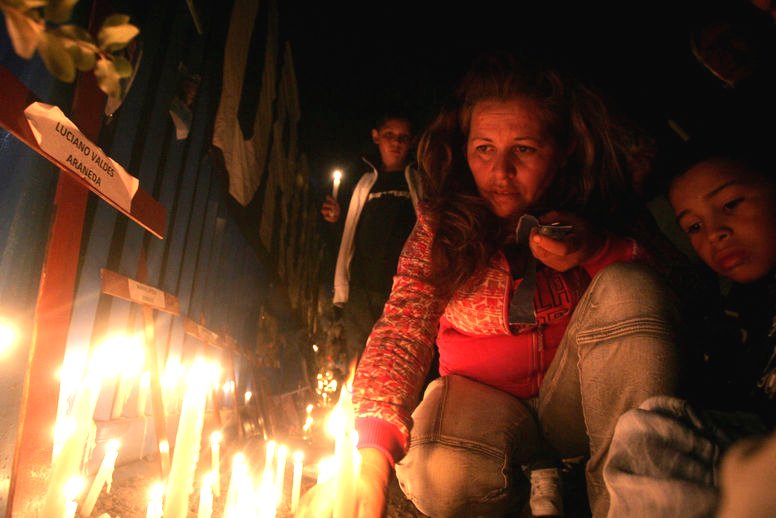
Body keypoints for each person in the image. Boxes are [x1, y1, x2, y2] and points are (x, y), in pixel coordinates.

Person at [299, 52, 681, 518]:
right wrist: (373, 456)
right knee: (440, 474)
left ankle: (626, 503)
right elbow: (404, 323)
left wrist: (599, 249)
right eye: (484, 149)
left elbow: (680, 289)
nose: (501, 172)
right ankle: (526, 483)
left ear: (562, 150)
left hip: (577, 404)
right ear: (463, 150)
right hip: (481, 405)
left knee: (630, 284)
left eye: (524, 149)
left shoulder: (603, 210)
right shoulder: (442, 227)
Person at [604, 144, 776, 518]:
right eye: (694, 227)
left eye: (731, 204)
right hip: (746, 446)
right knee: (645, 429)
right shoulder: (735, 316)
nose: (715, 232)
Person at [320, 112, 423, 361]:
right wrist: (336, 220)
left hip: (403, 290)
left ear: (412, 141)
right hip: (362, 288)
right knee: (361, 356)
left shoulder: (419, 183)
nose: (396, 142)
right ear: (376, 136)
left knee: (396, 358)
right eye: (389, 135)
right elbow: (348, 236)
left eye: (403, 137)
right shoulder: (363, 183)